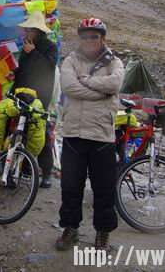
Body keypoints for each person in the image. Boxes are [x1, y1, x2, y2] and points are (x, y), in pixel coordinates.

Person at [56, 18, 125, 252]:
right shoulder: (70, 60)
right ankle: (70, 229)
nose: (89, 40)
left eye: (94, 36)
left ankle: (103, 233)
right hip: (73, 134)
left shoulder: (115, 62)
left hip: (102, 135)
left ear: (102, 38)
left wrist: (87, 81)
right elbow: (68, 87)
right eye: (85, 36)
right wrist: (99, 92)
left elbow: (114, 84)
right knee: (70, 187)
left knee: (104, 189)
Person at [8, 11, 58, 188]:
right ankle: (19, 169)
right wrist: (14, 73)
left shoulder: (50, 47)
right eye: (26, 30)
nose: (26, 33)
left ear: (38, 31)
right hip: (21, 95)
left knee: (40, 133)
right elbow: (24, 68)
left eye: (29, 30)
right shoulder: (27, 46)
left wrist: (33, 52)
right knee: (18, 132)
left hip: (39, 97)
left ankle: (46, 172)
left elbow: (47, 67)